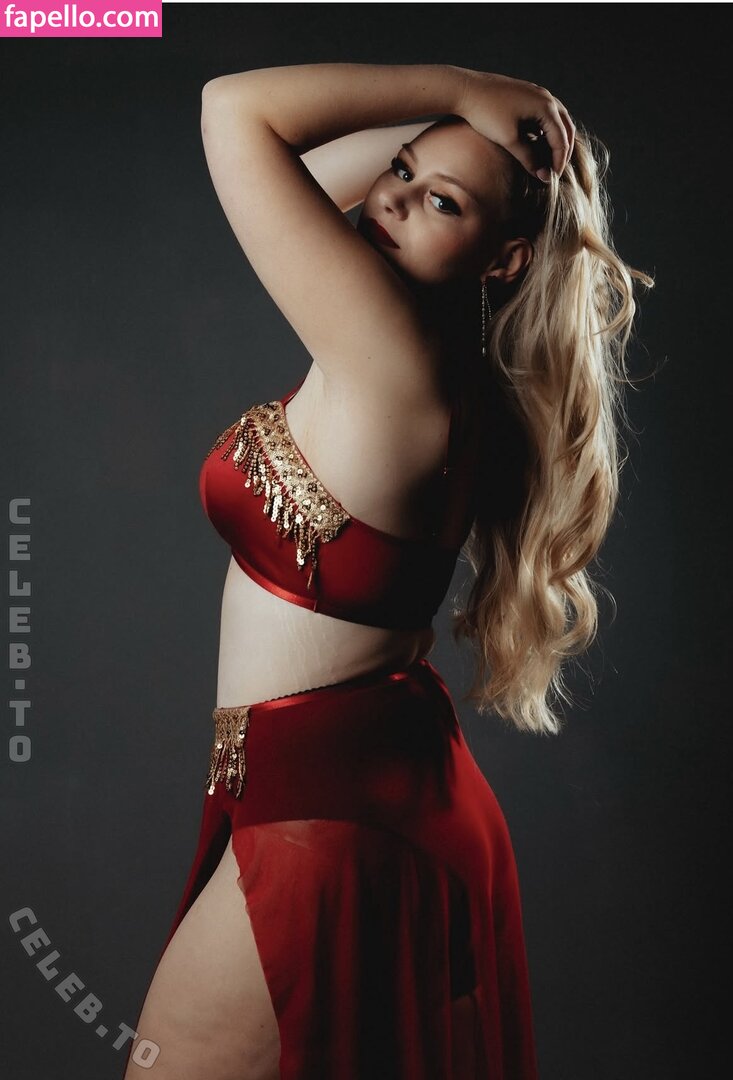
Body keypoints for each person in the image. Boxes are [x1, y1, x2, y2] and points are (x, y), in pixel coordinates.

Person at [121, 63, 653, 1080]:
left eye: (441, 202)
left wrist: (461, 87)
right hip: (339, 792)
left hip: (333, 817)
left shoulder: (390, 362)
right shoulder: (402, 341)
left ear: (504, 259)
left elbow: (235, 113)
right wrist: (459, 128)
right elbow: (310, 189)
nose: (393, 200)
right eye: (399, 172)